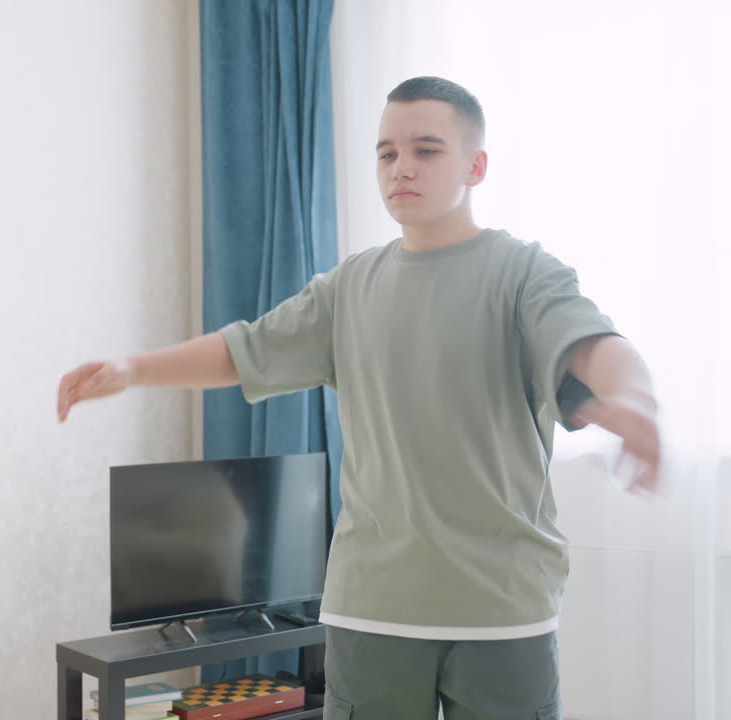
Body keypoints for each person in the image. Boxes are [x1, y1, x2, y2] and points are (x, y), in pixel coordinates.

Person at [55, 76, 660, 720]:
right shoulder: (349, 288)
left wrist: (636, 402)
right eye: (386, 152)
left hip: (501, 611)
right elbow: (246, 349)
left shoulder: (525, 273)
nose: (402, 167)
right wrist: (132, 368)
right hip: (373, 608)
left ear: (475, 165)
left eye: (427, 150)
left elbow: (594, 345)